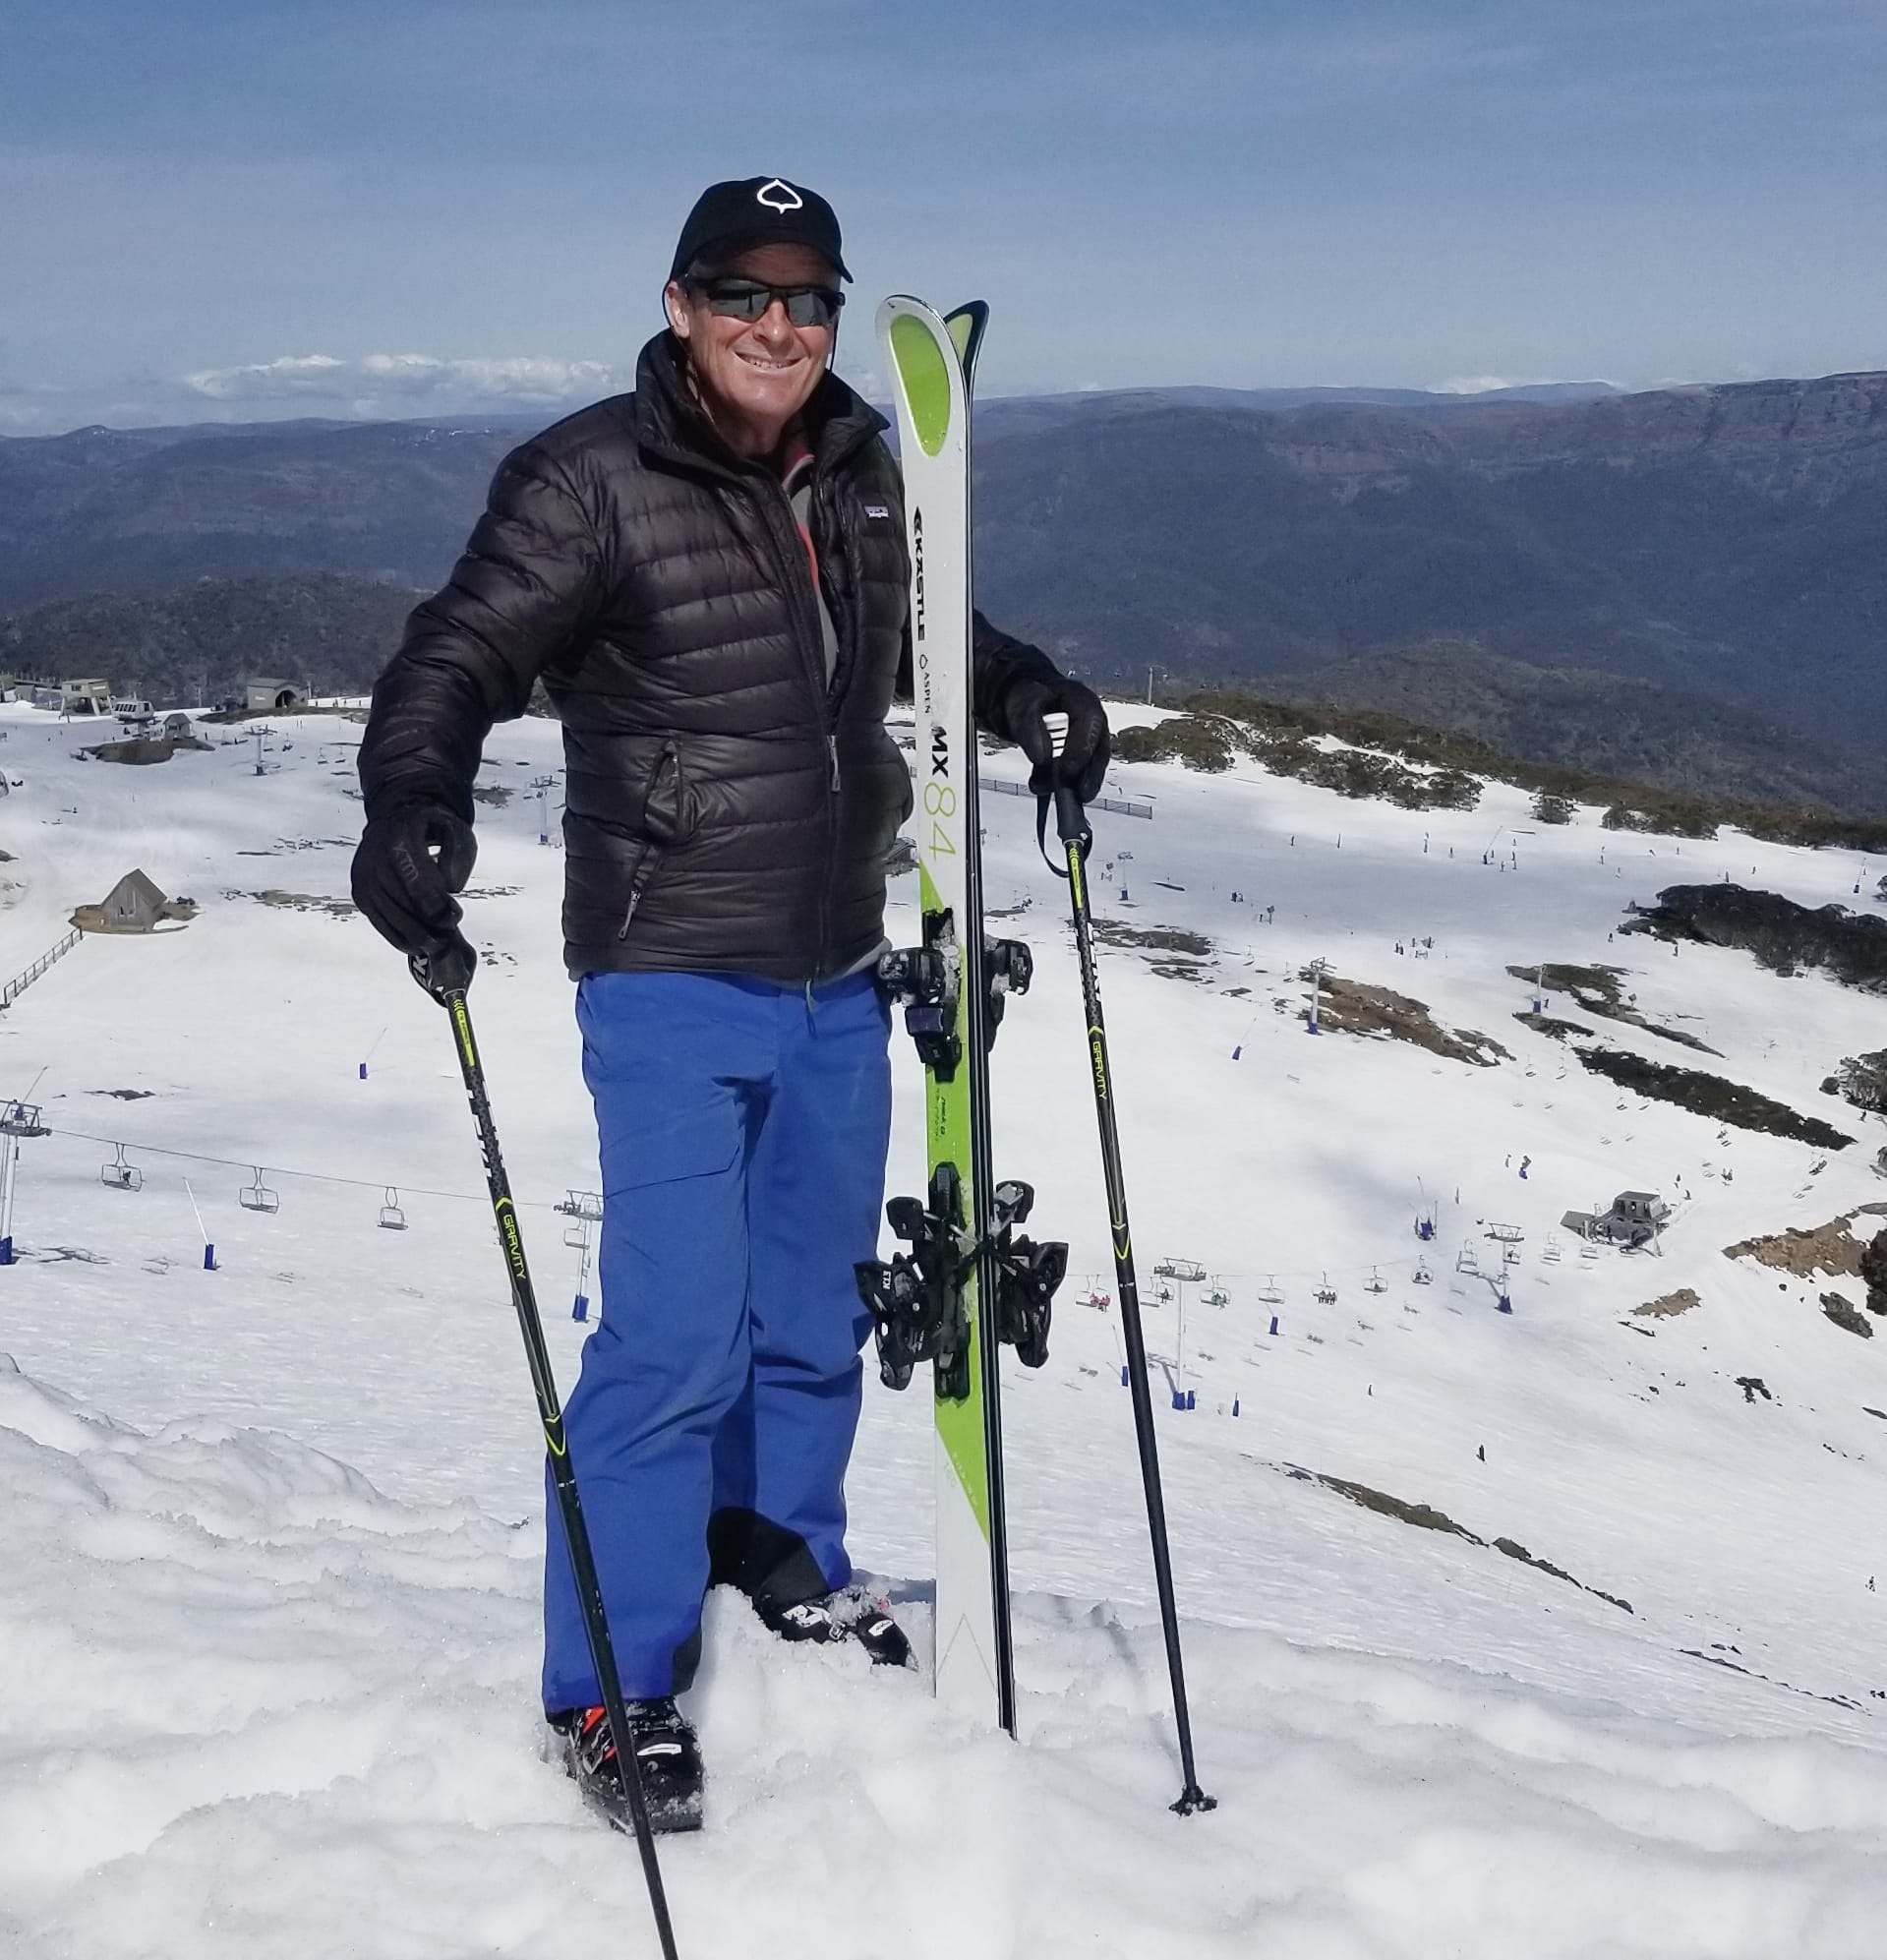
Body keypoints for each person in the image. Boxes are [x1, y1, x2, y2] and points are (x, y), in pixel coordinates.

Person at [350, 175, 1108, 1831]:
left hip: (842, 968)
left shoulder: (859, 465)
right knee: (674, 1339)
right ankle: (613, 1679)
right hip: (672, 968)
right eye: (745, 295)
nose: (784, 328)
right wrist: (415, 792)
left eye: (811, 299)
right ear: (681, 304)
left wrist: (1030, 689)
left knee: (812, 1317)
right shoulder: (586, 479)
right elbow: (457, 653)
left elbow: (928, 635)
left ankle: (779, 1557)